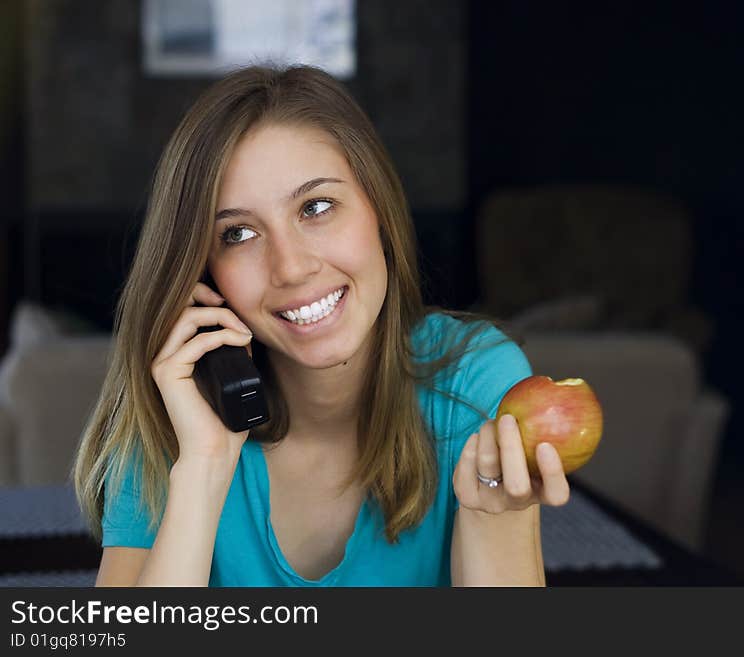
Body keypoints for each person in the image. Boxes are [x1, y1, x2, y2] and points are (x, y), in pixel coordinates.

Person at [73, 65, 570, 587]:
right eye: (238, 233)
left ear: (379, 209)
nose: (290, 267)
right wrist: (202, 469)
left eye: (316, 206)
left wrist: (496, 517)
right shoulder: (174, 413)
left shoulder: (474, 382)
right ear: (204, 271)